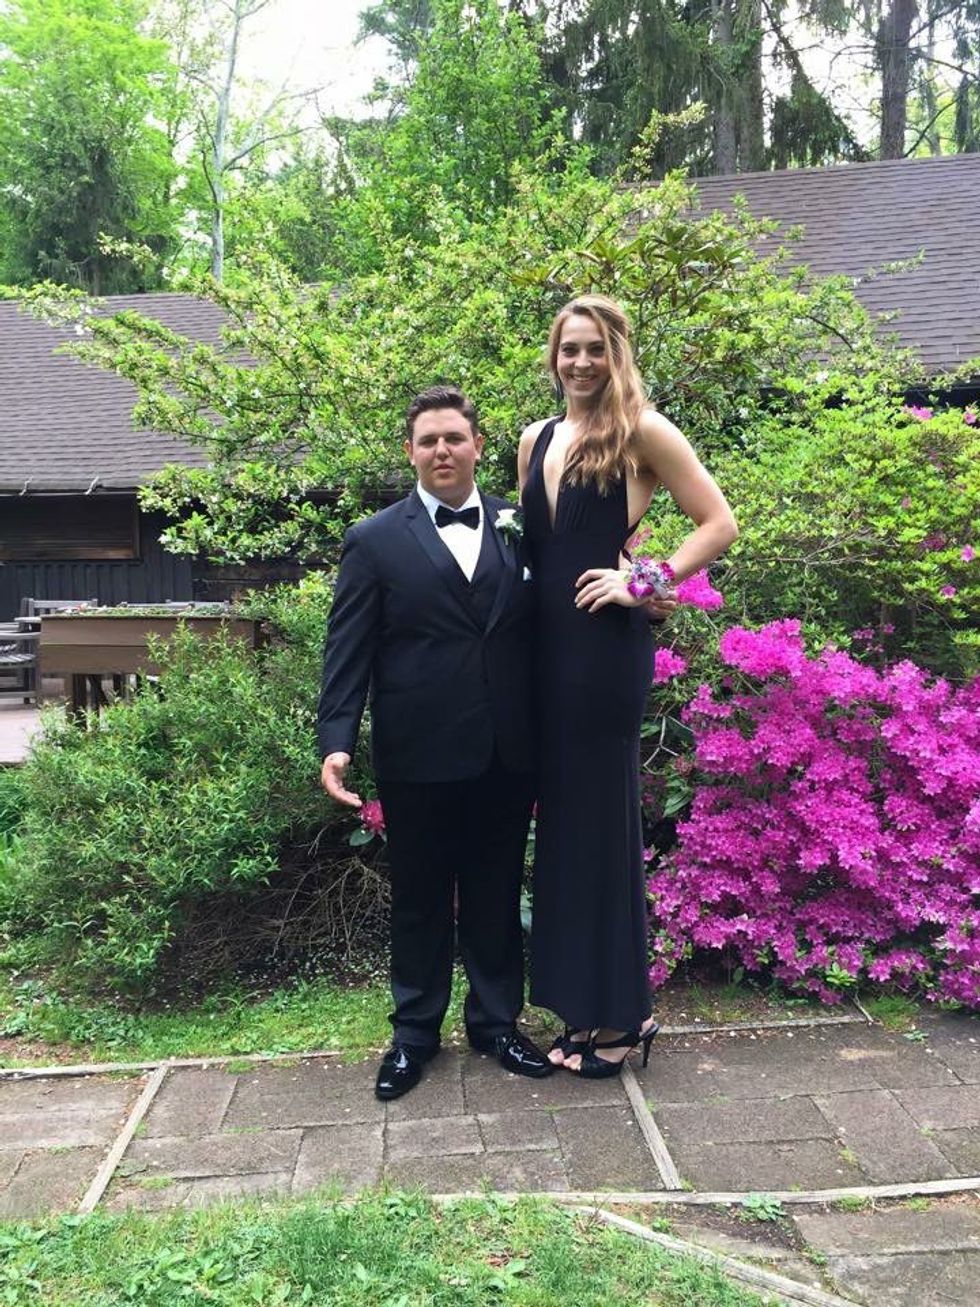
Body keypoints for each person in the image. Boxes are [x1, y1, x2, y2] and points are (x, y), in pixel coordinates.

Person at [518, 294, 738, 1078]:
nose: (580, 362)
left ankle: (625, 1014)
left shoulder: (642, 430)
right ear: (554, 357)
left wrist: (643, 581)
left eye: (595, 349)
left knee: (601, 825)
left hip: (603, 655)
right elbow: (542, 552)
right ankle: (582, 1007)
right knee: (564, 829)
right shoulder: (535, 438)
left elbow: (718, 521)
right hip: (544, 654)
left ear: (617, 355)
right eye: (568, 348)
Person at [317, 385, 553, 1101]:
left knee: (494, 892)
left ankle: (496, 1023)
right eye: (428, 441)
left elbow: (552, 629)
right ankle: (414, 1035)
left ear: (478, 445)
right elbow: (348, 648)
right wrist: (336, 739)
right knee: (419, 899)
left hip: (506, 751)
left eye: (454, 437)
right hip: (417, 752)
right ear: (410, 452)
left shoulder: (523, 526)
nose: (442, 450)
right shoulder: (374, 539)